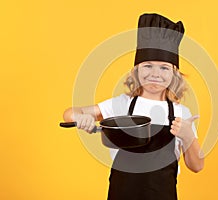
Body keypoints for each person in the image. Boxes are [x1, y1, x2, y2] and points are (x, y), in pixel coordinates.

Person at [63, 13, 204, 200]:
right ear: (137, 70)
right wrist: (82, 118)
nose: (155, 74)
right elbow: (70, 113)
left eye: (164, 68)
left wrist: (188, 137)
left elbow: (197, 166)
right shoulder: (122, 104)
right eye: (147, 66)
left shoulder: (181, 113)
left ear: (174, 74)